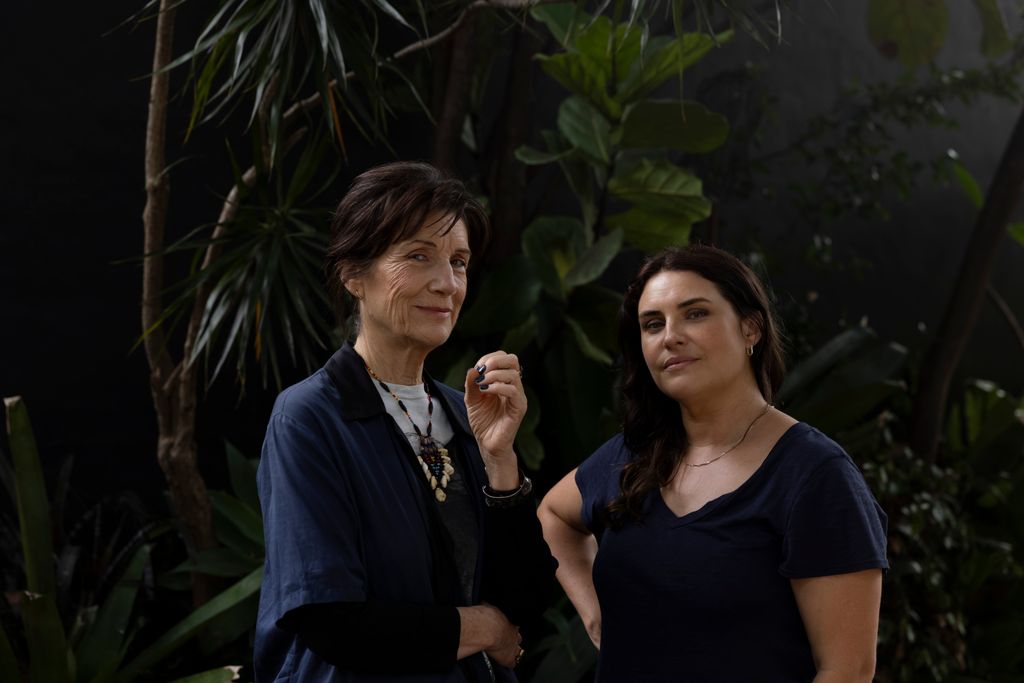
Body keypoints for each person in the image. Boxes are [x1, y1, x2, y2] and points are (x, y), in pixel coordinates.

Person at [255, 162, 555, 683]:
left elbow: (526, 605)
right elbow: (332, 622)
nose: (447, 283)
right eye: (418, 256)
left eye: (458, 262)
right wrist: (483, 628)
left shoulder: (467, 415)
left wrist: (500, 460)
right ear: (354, 275)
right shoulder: (310, 417)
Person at [538, 244, 888, 682]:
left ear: (750, 328)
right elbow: (554, 515)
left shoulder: (815, 475)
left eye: (695, 314)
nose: (670, 336)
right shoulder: (633, 455)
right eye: (653, 324)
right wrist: (596, 618)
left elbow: (847, 671)